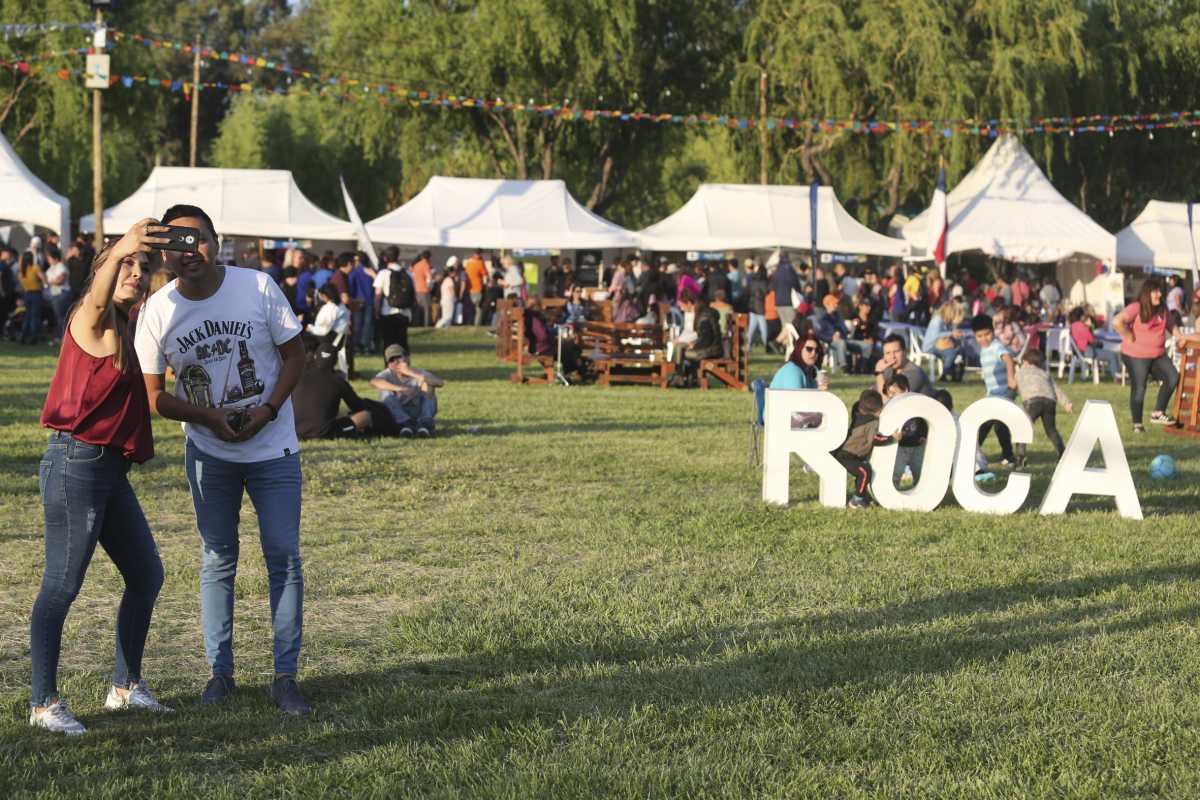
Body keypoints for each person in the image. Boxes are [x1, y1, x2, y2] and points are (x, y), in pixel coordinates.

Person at [134, 204, 310, 716]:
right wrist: (207, 418)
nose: (189, 254)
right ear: (165, 253)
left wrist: (269, 408)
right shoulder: (157, 312)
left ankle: (285, 675)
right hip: (210, 454)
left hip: (273, 447)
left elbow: (296, 356)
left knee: (283, 556)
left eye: (198, 241)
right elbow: (153, 397)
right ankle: (220, 672)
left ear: (217, 241)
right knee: (217, 560)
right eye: (176, 245)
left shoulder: (258, 288)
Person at [30, 221, 171, 736]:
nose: (135, 274)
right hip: (76, 464)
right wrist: (123, 247)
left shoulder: (127, 325)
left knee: (146, 576)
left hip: (109, 470)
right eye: (127, 266)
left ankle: (125, 687)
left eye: (142, 268)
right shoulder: (89, 319)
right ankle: (43, 703)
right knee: (61, 586)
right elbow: (97, 290)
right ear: (106, 270)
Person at [1114, 277, 1183, 433]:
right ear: (1147, 293)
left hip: (1158, 354)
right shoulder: (1136, 307)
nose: (1159, 294)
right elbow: (1117, 321)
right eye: (1155, 291)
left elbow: (1171, 325)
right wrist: (1128, 335)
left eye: (1160, 291)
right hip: (1136, 355)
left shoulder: (1163, 309)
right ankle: (1137, 424)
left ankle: (1158, 413)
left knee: (1172, 377)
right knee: (1139, 387)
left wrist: (1179, 337)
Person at [293, 342, 397, 439]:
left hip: (294, 430)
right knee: (365, 416)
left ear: (315, 356)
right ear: (335, 361)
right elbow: (357, 406)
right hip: (322, 433)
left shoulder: (299, 375)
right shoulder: (338, 381)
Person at [833, 389, 895, 508]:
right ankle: (857, 500)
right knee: (864, 471)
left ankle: (861, 495)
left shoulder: (858, 414)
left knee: (862, 471)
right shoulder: (872, 423)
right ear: (879, 410)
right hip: (846, 456)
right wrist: (892, 438)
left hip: (846, 453)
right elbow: (876, 439)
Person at [1014, 348, 1072, 468]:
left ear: (1025, 361)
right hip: (1049, 401)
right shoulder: (1045, 373)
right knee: (1051, 430)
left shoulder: (1020, 372)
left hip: (1032, 401)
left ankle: (1020, 458)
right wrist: (1066, 403)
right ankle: (1062, 454)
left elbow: (1014, 387)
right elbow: (1056, 390)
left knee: (1022, 428)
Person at [972, 313, 1017, 465]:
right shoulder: (984, 349)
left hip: (1004, 392)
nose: (984, 338)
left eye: (987, 334)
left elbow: (1009, 360)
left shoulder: (996, 346)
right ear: (975, 336)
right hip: (993, 394)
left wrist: (1011, 378)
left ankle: (973, 450)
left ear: (993, 332)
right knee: (993, 424)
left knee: (993, 424)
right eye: (980, 336)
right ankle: (1007, 455)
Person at [371, 344, 443, 436]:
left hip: (417, 411)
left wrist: (411, 373)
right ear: (388, 364)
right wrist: (400, 389)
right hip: (398, 414)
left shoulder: (418, 372)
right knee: (385, 391)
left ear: (408, 358)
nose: (396, 362)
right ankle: (406, 424)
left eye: (399, 357)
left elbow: (440, 383)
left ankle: (425, 422)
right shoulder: (387, 374)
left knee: (429, 384)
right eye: (392, 360)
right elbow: (374, 382)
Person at [670, 291, 723, 387]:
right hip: (712, 347)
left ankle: (680, 377)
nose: (681, 309)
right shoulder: (702, 313)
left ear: (690, 303)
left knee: (682, 353)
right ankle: (682, 377)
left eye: (682, 305)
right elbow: (704, 335)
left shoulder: (703, 316)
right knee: (680, 350)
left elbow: (706, 338)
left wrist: (694, 344)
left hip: (712, 350)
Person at [374, 246, 413, 357]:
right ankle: (404, 367)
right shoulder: (407, 273)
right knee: (402, 342)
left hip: (388, 312)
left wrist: (376, 311)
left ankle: (389, 368)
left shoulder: (383, 273)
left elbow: (378, 295)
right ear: (398, 257)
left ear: (385, 258)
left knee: (388, 343)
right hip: (404, 312)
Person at [1067, 306, 1121, 379]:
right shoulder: (1082, 326)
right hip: (1087, 351)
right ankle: (1117, 377)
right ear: (1081, 316)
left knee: (1110, 353)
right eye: (1084, 315)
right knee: (1112, 355)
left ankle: (1117, 374)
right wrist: (1090, 327)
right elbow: (1092, 341)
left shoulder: (1073, 326)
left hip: (1079, 351)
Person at [922, 301, 966, 381]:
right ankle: (945, 374)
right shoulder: (937, 320)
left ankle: (955, 376)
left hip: (940, 345)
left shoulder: (945, 321)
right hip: (931, 346)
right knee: (951, 353)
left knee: (959, 351)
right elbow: (936, 335)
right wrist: (951, 333)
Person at [44, 245, 71, 345]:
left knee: (61, 317)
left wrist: (50, 281)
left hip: (61, 294)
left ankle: (63, 338)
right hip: (54, 294)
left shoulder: (61, 267)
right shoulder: (52, 268)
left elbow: (60, 280)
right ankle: (59, 337)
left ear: (54, 257)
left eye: (49, 258)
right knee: (57, 317)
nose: (48, 260)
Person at [349, 253, 376, 353]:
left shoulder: (354, 272)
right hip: (369, 300)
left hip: (357, 301)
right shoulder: (370, 271)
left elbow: (351, 286)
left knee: (357, 325)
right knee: (368, 325)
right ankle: (366, 346)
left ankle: (357, 346)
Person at [19, 250, 46, 344]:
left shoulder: (21, 271)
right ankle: (34, 337)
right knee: (35, 316)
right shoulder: (35, 268)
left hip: (27, 294)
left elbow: (22, 285)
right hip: (36, 294)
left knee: (27, 316)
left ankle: (23, 336)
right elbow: (43, 278)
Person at [747, 265, 769, 352]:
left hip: (752, 306)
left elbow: (748, 291)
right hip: (761, 307)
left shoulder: (752, 281)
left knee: (751, 328)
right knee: (763, 328)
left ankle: (748, 347)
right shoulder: (765, 282)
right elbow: (766, 292)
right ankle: (765, 345)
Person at [464, 250, 489, 326]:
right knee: (478, 309)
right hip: (478, 289)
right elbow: (485, 275)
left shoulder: (468, 263)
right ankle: (476, 325)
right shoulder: (480, 263)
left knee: (470, 309)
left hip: (469, 289)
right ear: (480, 254)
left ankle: (469, 323)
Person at [411, 250, 432, 326]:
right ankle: (426, 325)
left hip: (416, 290)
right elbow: (429, 279)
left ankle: (416, 324)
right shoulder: (426, 265)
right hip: (424, 290)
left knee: (418, 309)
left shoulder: (416, 265)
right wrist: (429, 288)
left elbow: (413, 277)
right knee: (426, 309)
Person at [437, 260, 458, 328]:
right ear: (451, 273)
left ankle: (443, 328)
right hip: (448, 300)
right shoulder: (449, 280)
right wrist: (455, 298)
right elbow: (451, 290)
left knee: (445, 316)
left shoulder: (445, 280)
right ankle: (439, 327)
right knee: (448, 317)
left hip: (444, 300)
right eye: (454, 272)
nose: (455, 273)